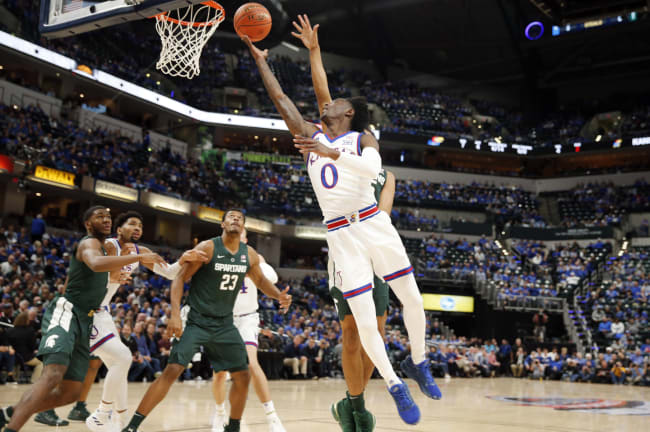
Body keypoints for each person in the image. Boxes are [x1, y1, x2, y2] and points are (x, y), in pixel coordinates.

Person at [284, 14, 438, 427]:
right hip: (342, 235)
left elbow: (380, 183)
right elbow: (321, 93)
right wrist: (314, 51)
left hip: (372, 229)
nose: (327, 105)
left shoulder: (365, 144)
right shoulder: (323, 134)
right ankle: (357, 402)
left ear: (350, 113)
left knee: (386, 323)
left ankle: (400, 373)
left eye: (335, 105)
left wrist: (376, 223)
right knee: (354, 331)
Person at [121, 209, 292, 432]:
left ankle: (233, 426)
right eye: (231, 217)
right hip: (197, 320)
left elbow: (260, 280)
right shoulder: (207, 248)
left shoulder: (248, 254)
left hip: (224, 324)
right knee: (172, 370)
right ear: (222, 224)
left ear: (243, 228)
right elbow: (180, 278)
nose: (235, 219)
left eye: (239, 218)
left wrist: (278, 295)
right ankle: (133, 425)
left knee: (242, 374)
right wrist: (174, 314)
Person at [0, 206, 164, 432]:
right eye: (100, 217)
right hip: (70, 311)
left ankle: (10, 413)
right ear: (88, 224)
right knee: (56, 373)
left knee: (74, 387)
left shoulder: (111, 251)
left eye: (108, 216)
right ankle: (107, 415)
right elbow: (94, 265)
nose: (106, 219)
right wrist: (137, 256)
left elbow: (104, 275)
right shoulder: (90, 244)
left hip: (90, 317)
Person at [67, 210, 208, 431]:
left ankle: (119, 421)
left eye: (140, 226)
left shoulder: (139, 251)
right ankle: (101, 414)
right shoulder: (106, 245)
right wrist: (113, 276)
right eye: (132, 224)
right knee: (122, 358)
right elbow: (91, 270)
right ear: (118, 228)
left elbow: (171, 273)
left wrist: (183, 258)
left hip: (102, 312)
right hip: (85, 311)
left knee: (120, 364)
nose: (137, 229)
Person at [211, 228, 287, 432]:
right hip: (224, 319)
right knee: (219, 373)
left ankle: (272, 416)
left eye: (241, 235)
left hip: (247, 318)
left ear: (244, 239)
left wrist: (256, 264)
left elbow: (272, 278)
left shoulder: (254, 257)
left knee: (252, 364)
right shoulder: (216, 255)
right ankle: (219, 414)